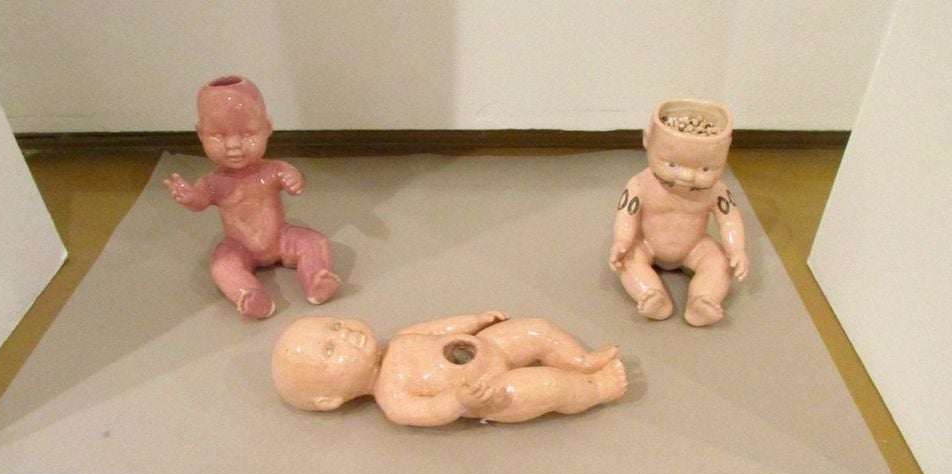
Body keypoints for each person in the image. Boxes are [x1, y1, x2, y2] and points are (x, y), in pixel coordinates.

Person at [164, 75, 340, 319]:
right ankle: (249, 294)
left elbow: (294, 178)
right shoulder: (213, 182)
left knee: (313, 241)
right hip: (239, 247)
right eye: (218, 136)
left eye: (247, 134)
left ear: (267, 127)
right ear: (200, 134)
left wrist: (294, 179)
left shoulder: (273, 170)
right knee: (222, 265)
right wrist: (190, 197)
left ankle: (316, 278)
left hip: (281, 238)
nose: (233, 145)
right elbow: (200, 201)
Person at [272, 311, 627, 427]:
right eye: (331, 349)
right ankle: (596, 389)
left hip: (489, 345)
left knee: (537, 328)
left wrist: (473, 321)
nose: (345, 334)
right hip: (491, 392)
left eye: (335, 326)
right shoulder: (392, 398)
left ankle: (580, 361)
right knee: (548, 385)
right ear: (329, 400)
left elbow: (439, 328)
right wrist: (459, 402)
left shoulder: (400, 338)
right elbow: (429, 411)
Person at [609, 100, 749, 326]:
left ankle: (703, 299)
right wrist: (622, 240)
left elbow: (729, 219)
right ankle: (651, 294)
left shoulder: (716, 190)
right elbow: (627, 214)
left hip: (696, 246)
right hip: (647, 243)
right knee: (627, 259)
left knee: (721, 262)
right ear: (648, 140)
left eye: (705, 169)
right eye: (672, 164)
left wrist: (736, 249)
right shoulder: (640, 185)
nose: (687, 177)